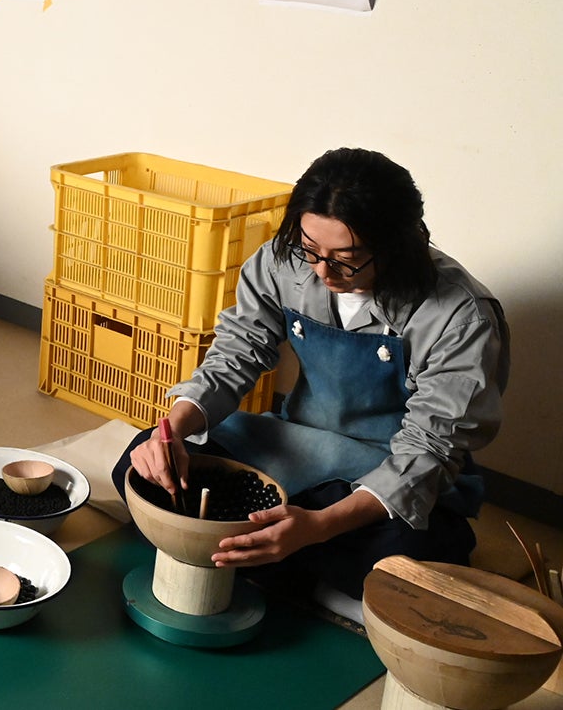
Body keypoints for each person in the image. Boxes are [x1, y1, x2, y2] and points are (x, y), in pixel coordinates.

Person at [111, 147, 507, 619]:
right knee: (139, 465)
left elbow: (428, 451)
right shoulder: (285, 262)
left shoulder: (460, 316)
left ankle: (270, 560)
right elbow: (237, 352)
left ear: (398, 244)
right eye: (311, 249)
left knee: (410, 551)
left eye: (347, 258)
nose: (322, 271)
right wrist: (172, 432)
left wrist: (318, 526)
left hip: (386, 468)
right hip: (298, 444)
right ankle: (304, 573)